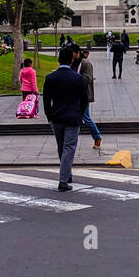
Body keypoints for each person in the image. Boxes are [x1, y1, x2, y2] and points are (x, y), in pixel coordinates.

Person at [42, 45, 88, 190]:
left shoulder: (50, 78)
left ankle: (67, 174)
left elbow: (46, 99)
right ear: (71, 61)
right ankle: (63, 181)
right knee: (69, 147)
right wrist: (79, 114)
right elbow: (84, 100)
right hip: (72, 117)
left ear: (58, 60)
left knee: (62, 146)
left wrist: (49, 115)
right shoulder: (77, 78)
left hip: (56, 117)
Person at [74, 46, 103, 149]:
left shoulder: (86, 63)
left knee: (85, 117)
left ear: (77, 53)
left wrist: (73, 77)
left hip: (83, 95)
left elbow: (88, 78)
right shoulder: (73, 63)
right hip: (74, 94)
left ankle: (97, 136)